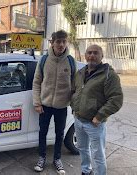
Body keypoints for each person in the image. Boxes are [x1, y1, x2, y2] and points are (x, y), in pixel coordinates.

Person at [71, 44, 123, 175]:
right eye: (89, 53)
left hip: (94, 123)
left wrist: (99, 116)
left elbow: (116, 99)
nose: (92, 56)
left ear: (102, 56)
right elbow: (75, 91)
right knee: (82, 148)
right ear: (85, 55)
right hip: (78, 119)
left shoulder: (109, 75)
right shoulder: (81, 73)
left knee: (97, 154)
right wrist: (74, 107)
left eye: (95, 53)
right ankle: (86, 171)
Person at [32, 30, 76, 175]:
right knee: (42, 132)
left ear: (66, 43)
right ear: (52, 42)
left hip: (62, 106)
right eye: (58, 41)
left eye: (64, 41)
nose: (61, 45)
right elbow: (37, 82)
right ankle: (42, 157)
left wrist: (74, 104)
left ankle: (57, 159)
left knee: (59, 134)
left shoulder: (70, 61)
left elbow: (75, 85)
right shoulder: (44, 60)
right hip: (45, 105)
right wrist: (37, 103)